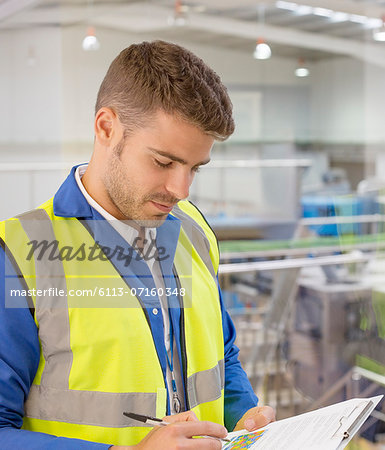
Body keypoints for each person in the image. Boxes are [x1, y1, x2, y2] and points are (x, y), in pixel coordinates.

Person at [0, 40, 275, 449]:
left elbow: (223, 352)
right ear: (107, 128)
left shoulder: (193, 229)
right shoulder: (20, 254)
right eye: (163, 162)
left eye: (194, 168)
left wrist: (243, 414)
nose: (180, 189)